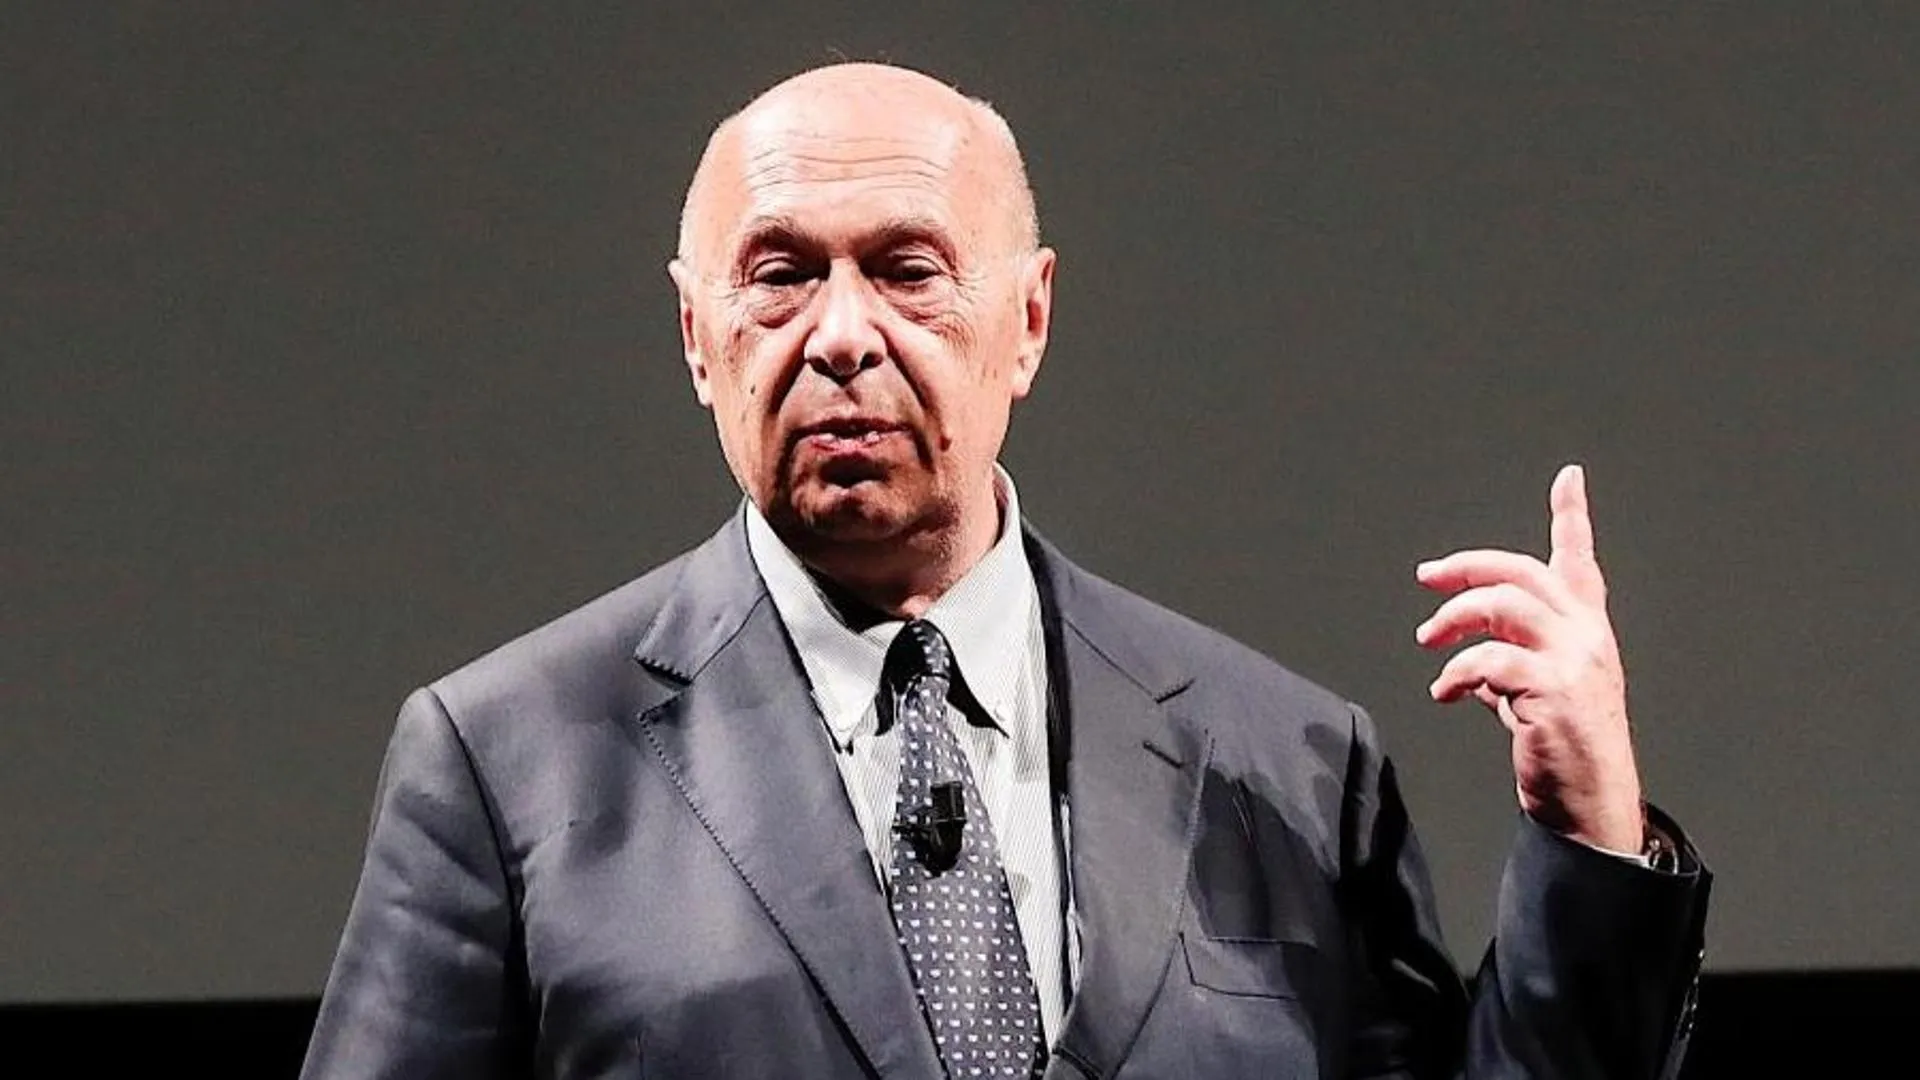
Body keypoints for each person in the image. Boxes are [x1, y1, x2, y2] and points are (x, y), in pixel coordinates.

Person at [302, 62, 1709, 1079]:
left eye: (908, 270)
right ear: (696, 337)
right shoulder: (506, 762)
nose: (840, 335)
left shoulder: (1284, 762)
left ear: (1027, 320)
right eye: (780, 274)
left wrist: (1592, 836)